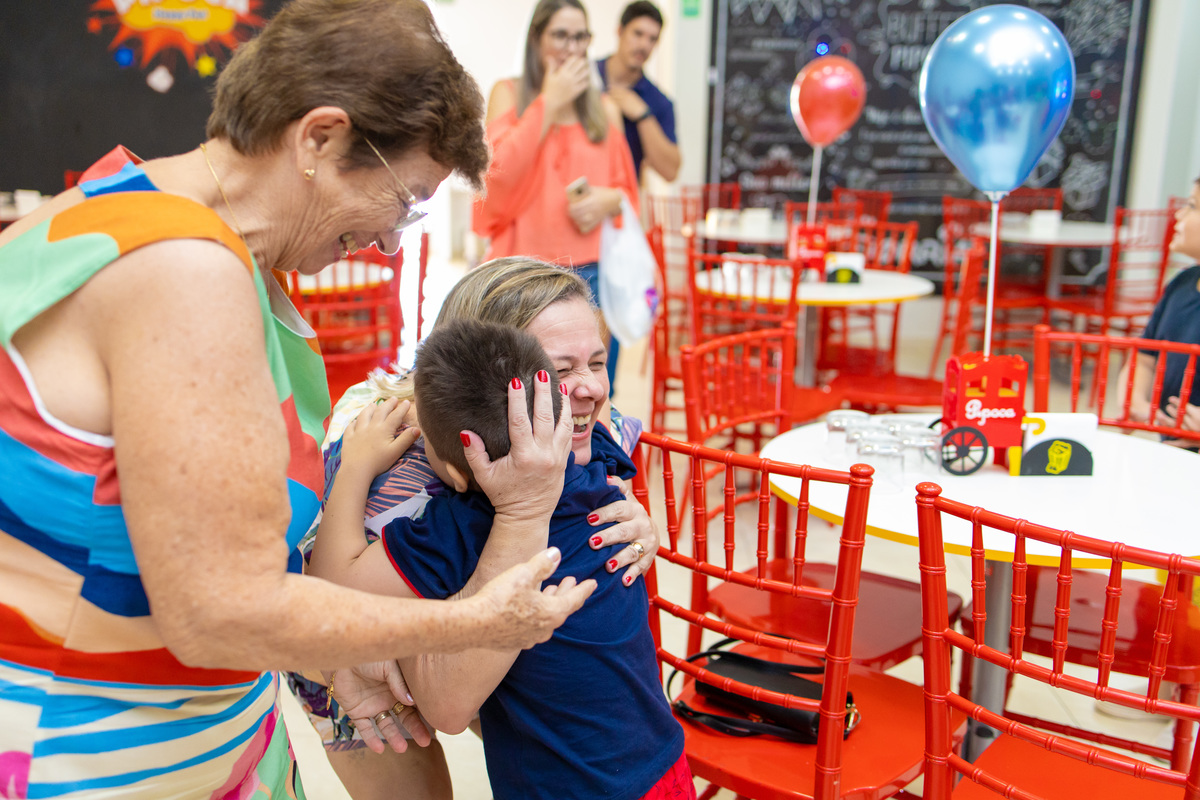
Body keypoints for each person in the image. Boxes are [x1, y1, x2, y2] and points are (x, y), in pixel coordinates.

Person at [0, 2, 603, 796]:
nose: (392, 241)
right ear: (319, 137)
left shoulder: (117, 205)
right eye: (404, 200)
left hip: (204, 736)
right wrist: (478, 620)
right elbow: (218, 611)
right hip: (99, 758)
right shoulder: (184, 269)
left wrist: (328, 653)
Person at [287, 257, 658, 798]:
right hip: (337, 648)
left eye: (596, 361)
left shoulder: (579, 428)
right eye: (558, 372)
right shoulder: (388, 459)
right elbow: (325, 602)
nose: (589, 390)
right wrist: (356, 471)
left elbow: (608, 456)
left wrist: (635, 513)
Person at [472, 0, 640, 393]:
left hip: (592, 276)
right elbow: (494, 178)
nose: (572, 48)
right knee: (516, 393)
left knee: (590, 395)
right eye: (561, 36)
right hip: (519, 274)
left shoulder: (604, 110)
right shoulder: (508, 94)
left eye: (580, 37)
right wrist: (549, 101)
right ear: (537, 39)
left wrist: (608, 200)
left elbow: (628, 194)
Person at [1120, 180, 1200, 446]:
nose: (1179, 214)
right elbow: (1144, 357)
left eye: (1192, 206)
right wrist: (1136, 402)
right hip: (1171, 448)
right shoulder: (1182, 283)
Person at [596, 1, 680, 182]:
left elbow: (670, 172)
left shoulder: (659, 102)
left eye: (652, 39)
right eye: (638, 34)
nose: (644, 45)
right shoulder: (587, 76)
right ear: (620, 31)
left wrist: (643, 116)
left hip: (622, 194)